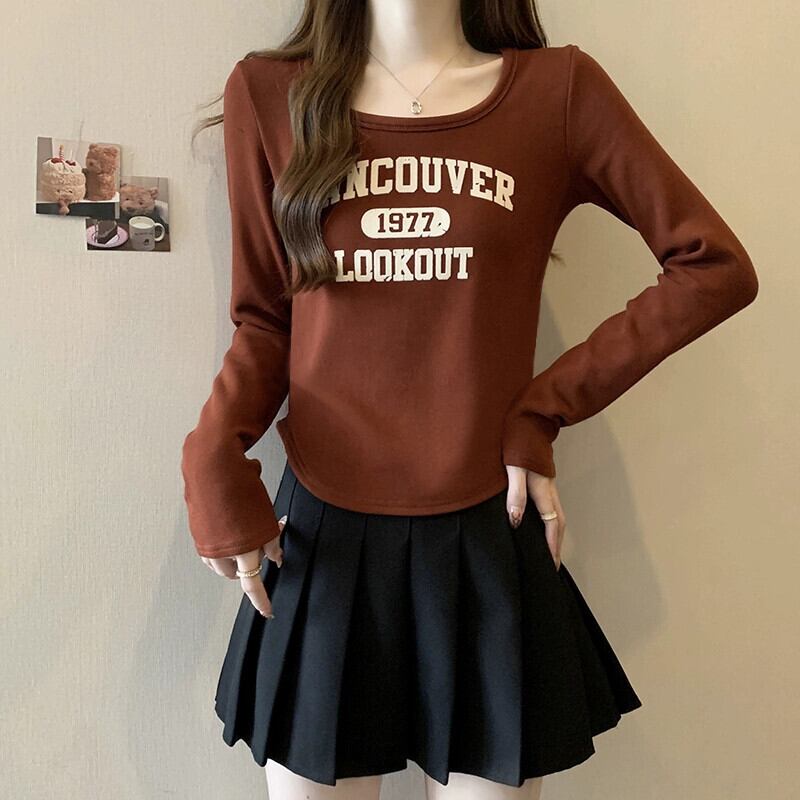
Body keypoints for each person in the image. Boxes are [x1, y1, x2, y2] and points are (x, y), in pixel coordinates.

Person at [181, 1, 759, 798]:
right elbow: (266, 319)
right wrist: (212, 453)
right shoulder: (269, 94)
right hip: (321, 534)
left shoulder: (558, 92)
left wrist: (545, 407)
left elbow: (712, 265)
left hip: (489, 528)